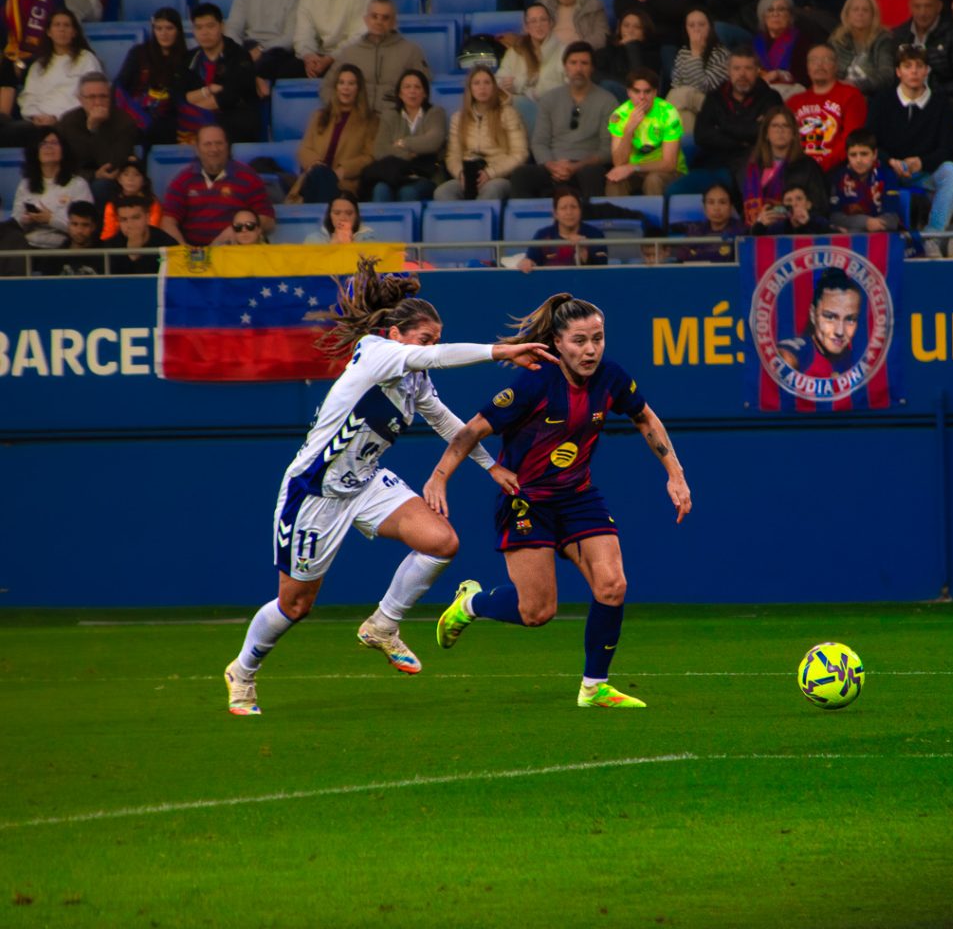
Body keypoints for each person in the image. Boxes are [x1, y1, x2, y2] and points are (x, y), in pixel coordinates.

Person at [223, 255, 555, 715]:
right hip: (316, 492)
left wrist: (491, 467)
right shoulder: (376, 353)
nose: (430, 348)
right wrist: (501, 351)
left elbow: (446, 421)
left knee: (441, 543)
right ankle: (242, 672)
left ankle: (382, 625)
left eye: (435, 339)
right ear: (395, 334)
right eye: (424, 338)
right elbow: (434, 358)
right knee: (296, 605)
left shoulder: (414, 380)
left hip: (366, 482)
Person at [425, 293, 692, 710]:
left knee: (613, 586)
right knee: (537, 612)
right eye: (579, 341)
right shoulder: (534, 383)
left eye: (598, 339)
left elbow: (644, 416)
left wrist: (675, 473)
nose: (590, 350)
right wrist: (440, 478)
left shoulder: (611, 377)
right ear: (558, 343)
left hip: (578, 496)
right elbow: (471, 430)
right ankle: (470, 604)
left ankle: (594, 687)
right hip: (526, 501)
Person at [867, 42, 953, 257]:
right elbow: (870, 143)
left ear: (927, 70)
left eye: (919, 66)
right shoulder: (882, 101)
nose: (914, 71)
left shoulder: (940, 104)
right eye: (908, 66)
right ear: (898, 71)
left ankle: (932, 237)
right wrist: (890, 161)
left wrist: (921, 162)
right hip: (888, 170)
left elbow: (949, 150)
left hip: (923, 172)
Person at [509, 40, 616, 200]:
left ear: (592, 68)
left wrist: (577, 166)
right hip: (553, 165)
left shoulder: (607, 101)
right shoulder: (550, 99)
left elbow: (607, 150)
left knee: (592, 173)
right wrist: (552, 165)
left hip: (586, 167)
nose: (578, 68)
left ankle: (589, 215)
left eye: (584, 63)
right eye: (573, 63)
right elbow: (539, 142)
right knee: (521, 175)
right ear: (565, 67)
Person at [685, 45, 783, 194]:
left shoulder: (770, 97)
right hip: (715, 162)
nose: (742, 74)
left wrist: (723, 126)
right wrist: (740, 141)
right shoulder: (715, 97)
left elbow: (765, 133)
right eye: (737, 68)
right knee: (675, 190)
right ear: (728, 71)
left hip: (751, 162)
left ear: (757, 71)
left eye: (748, 68)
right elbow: (702, 135)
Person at [161, 123, 276, 246]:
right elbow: (168, 221)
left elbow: (268, 220)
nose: (214, 149)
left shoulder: (249, 177)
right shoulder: (182, 180)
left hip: (235, 250)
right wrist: (182, 248)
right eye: (207, 144)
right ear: (197, 149)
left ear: (227, 146)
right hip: (195, 253)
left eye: (219, 143)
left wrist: (238, 228)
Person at [320, 0, 432, 114]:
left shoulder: (411, 51)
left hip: (396, 118)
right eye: (374, 16)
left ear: (394, 22)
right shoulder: (349, 53)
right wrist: (343, 110)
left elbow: (424, 87)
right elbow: (327, 87)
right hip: (358, 117)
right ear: (366, 20)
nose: (379, 22)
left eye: (385, 18)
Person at [436, 65, 528, 200]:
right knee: (442, 192)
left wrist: (490, 173)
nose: (482, 87)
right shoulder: (458, 118)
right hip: (469, 175)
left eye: (487, 82)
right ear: (470, 88)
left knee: (491, 190)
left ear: (494, 87)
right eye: (477, 83)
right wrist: (461, 174)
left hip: (499, 176)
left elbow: (520, 154)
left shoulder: (509, 114)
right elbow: (453, 156)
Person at [289, 63, 378, 202]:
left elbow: (369, 156)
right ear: (336, 87)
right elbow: (304, 149)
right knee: (319, 175)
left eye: (351, 84)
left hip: (344, 184)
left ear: (359, 89)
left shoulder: (370, 121)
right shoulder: (319, 116)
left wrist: (344, 169)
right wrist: (316, 164)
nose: (345, 88)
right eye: (341, 83)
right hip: (315, 178)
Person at [178, 2, 262, 144]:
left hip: (235, 120)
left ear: (222, 27)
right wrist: (208, 90)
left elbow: (229, 96)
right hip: (197, 118)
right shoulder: (188, 59)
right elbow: (182, 95)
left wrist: (194, 102)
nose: (205, 32)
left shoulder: (240, 56)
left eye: (210, 26)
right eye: (199, 27)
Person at [11, 127, 92, 273]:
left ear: (63, 150)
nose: (49, 147)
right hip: (29, 245)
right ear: (35, 151)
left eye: (54, 143)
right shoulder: (26, 184)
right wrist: (26, 220)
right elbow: (15, 223)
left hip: (61, 246)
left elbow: (85, 227)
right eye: (43, 143)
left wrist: (50, 219)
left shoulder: (78, 184)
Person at [57, 72, 140, 212]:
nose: (98, 102)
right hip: (75, 177)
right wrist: (92, 175)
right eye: (91, 97)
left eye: (103, 96)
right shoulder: (68, 122)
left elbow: (112, 167)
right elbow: (63, 163)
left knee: (101, 186)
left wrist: (95, 130)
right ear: (80, 99)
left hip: (110, 182)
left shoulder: (125, 122)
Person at [893, 0, 953, 120]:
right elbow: (894, 76)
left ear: (939, 6)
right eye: (917, 6)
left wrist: (927, 93)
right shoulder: (900, 35)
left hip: (947, 99)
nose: (922, 12)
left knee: (925, 107)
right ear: (910, 6)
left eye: (928, 6)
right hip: (907, 98)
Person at [739, 103, 828, 226]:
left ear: (793, 134)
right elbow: (741, 207)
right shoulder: (751, 166)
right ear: (766, 133)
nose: (780, 130)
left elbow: (821, 206)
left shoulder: (808, 166)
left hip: (795, 229)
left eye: (786, 126)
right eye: (775, 125)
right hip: (757, 230)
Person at [785, 42, 868, 173]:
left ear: (836, 66)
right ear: (807, 67)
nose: (819, 65)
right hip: (798, 170)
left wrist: (820, 167)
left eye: (826, 60)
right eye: (814, 60)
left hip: (836, 170)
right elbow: (785, 140)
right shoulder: (794, 102)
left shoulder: (851, 96)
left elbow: (851, 140)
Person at [365, 68, 445, 203]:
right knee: (380, 189)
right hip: (395, 174)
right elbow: (380, 150)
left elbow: (433, 141)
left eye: (417, 87)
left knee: (407, 192)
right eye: (407, 87)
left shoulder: (435, 113)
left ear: (425, 93)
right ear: (400, 94)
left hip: (426, 175)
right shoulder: (389, 116)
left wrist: (403, 143)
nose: (412, 91)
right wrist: (409, 154)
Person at [605, 67, 685, 197]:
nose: (642, 97)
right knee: (614, 180)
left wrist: (633, 167)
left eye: (647, 92)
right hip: (633, 172)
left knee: (653, 180)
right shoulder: (619, 115)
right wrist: (629, 129)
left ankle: (655, 212)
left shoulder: (669, 113)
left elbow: (669, 164)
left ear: (655, 92)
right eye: (636, 91)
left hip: (665, 172)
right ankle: (616, 211)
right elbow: (618, 162)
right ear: (628, 92)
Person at [114, 7, 188, 145]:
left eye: (169, 28)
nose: (164, 33)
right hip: (136, 113)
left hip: (168, 118)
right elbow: (120, 85)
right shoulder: (139, 53)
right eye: (158, 29)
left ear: (178, 30)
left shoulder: (186, 59)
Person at [17, 9, 99, 125]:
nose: (62, 29)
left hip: (73, 122)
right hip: (39, 121)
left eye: (66, 25)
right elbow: (28, 97)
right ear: (49, 32)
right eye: (57, 25)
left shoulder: (87, 59)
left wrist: (57, 118)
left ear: (74, 32)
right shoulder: (38, 66)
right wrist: (35, 116)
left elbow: (93, 96)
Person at [496, 2, 566, 133]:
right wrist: (504, 85)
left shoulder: (564, 51)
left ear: (550, 23)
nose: (538, 25)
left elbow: (565, 88)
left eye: (543, 20)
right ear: (526, 27)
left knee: (519, 102)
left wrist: (521, 85)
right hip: (519, 114)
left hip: (554, 112)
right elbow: (499, 80)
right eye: (533, 21)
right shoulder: (514, 52)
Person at [777, 266, 862, 373]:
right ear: (813, 315)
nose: (840, 331)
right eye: (830, 317)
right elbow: (784, 356)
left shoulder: (851, 357)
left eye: (850, 319)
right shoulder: (803, 352)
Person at [668, 7, 731, 135]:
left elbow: (705, 87)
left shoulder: (721, 53)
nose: (696, 29)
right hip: (688, 105)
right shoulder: (683, 53)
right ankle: (689, 144)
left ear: (710, 28)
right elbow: (676, 83)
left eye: (701, 25)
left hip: (715, 105)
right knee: (684, 114)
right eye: (691, 25)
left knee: (679, 94)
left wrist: (696, 54)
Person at [518, 184, 607, 271]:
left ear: (580, 211)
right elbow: (531, 260)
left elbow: (603, 270)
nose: (569, 212)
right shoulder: (542, 235)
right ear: (555, 213)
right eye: (563, 208)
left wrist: (585, 254)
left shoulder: (595, 234)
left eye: (573, 207)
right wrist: (527, 263)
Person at [829, 127, 900, 232]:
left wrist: (873, 225)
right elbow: (834, 217)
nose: (859, 160)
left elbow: (892, 219)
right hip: (850, 234)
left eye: (864, 154)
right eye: (853, 155)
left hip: (881, 234)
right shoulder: (838, 177)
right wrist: (865, 222)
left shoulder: (888, 175)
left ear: (875, 154)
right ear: (847, 155)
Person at [829, 0, 895, 96]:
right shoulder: (837, 40)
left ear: (873, 15)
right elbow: (829, 72)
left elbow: (886, 75)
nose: (860, 13)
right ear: (847, 14)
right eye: (855, 9)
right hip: (840, 96)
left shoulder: (883, 40)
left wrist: (856, 85)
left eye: (865, 10)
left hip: (872, 97)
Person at [753, 0, 814, 99]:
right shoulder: (756, 42)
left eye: (781, 9)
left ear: (790, 15)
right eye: (770, 10)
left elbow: (805, 77)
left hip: (790, 94)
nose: (775, 14)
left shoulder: (801, 41)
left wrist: (779, 75)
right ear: (763, 16)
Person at [102, 194, 177, 275]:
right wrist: (132, 255)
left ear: (147, 217)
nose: (130, 224)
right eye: (123, 219)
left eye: (136, 218)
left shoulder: (167, 243)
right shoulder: (110, 247)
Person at [668, 181, 745, 260]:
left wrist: (697, 254)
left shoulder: (740, 231)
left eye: (722, 202)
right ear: (704, 208)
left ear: (731, 207)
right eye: (711, 202)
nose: (716, 208)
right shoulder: (696, 229)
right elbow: (682, 255)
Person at [594, 9, 659, 102]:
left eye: (637, 27)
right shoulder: (608, 50)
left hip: (639, 96)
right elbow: (595, 75)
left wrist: (632, 46)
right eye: (626, 26)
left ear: (645, 32)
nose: (630, 31)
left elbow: (640, 79)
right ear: (619, 29)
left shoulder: (652, 53)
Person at [99, 156, 162, 240]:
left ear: (144, 181)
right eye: (126, 174)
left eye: (136, 175)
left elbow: (153, 230)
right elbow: (108, 234)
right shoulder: (112, 205)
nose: (130, 179)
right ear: (119, 179)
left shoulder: (152, 203)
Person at [750, 182, 833, 234]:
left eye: (799, 199)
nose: (794, 204)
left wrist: (807, 224)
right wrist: (760, 225)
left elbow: (832, 237)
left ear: (808, 204)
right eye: (788, 200)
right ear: (783, 206)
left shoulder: (820, 222)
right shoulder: (777, 225)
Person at [304, 190, 377, 243]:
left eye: (349, 213)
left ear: (356, 216)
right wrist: (333, 246)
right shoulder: (314, 240)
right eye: (337, 213)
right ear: (330, 215)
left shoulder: (367, 240)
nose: (343, 218)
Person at [56, 199, 102, 276]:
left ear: (94, 226)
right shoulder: (55, 257)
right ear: (68, 225)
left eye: (85, 225)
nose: (79, 230)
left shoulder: (104, 256)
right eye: (74, 224)